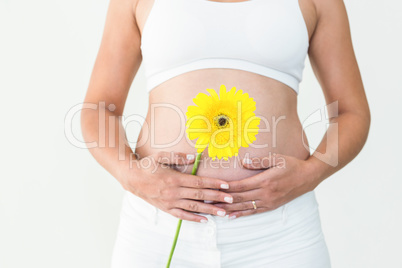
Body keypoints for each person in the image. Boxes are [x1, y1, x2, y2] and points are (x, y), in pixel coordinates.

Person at [80, 0, 371, 266]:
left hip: (281, 233)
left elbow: (351, 112)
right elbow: (99, 108)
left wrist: (311, 174)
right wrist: (131, 176)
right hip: (158, 229)